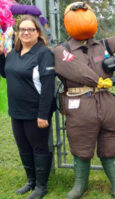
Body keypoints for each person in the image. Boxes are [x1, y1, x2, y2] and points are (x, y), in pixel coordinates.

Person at [54, 2, 115, 199]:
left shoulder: (101, 45)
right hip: (80, 104)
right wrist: (98, 81)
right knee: (80, 143)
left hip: (106, 103)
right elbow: (74, 70)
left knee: (111, 141)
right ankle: (80, 185)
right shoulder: (62, 50)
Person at [0, 15, 55, 199]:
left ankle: (41, 186)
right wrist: (0, 55)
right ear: (17, 33)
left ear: (37, 32)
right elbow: (6, 73)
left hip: (35, 112)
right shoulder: (14, 53)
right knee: (23, 147)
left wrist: (43, 114)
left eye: (30, 29)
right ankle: (31, 181)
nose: (25, 32)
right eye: (22, 29)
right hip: (17, 111)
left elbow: (48, 87)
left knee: (39, 147)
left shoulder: (43, 54)